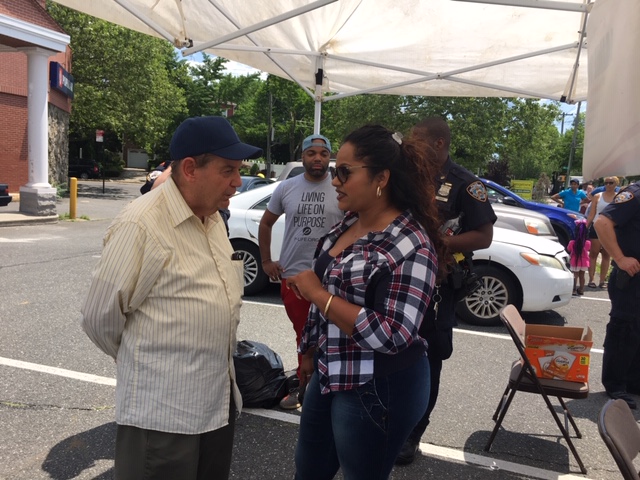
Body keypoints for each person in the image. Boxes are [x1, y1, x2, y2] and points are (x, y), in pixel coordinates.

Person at [80, 116, 262, 480]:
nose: (237, 182)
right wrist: (148, 364)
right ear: (191, 169)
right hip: (163, 415)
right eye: (228, 170)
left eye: (239, 170)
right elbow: (99, 318)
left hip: (215, 404)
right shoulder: (142, 224)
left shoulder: (211, 219)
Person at [286, 124, 445, 479]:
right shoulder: (348, 223)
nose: (335, 180)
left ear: (382, 178)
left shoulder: (411, 245)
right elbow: (326, 289)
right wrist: (310, 351)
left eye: (344, 171)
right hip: (331, 370)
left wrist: (318, 295)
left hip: (379, 387)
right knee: (308, 470)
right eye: (333, 171)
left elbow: (394, 333)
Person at [396, 116, 496, 465]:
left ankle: (414, 433)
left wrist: (439, 241)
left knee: (429, 358)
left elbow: (484, 236)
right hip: (402, 278)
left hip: (438, 283)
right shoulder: (407, 175)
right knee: (395, 349)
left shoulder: (467, 185)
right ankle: (392, 421)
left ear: (439, 144)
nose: (412, 146)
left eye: (419, 140)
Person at [258, 134, 343, 409]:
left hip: (333, 277)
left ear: (330, 157)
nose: (317, 158)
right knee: (303, 336)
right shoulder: (287, 187)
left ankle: (329, 388)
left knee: (334, 335)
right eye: (311, 153)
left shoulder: (342, 187)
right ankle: (305, 389)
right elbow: (266, 223)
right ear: (303, 156)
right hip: (293, 275)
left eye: (323, 153)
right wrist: (266, 261)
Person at [594, 180, 640, 410]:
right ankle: (615, 385)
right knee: (624, 329)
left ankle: (633, 382)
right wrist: (620, 259)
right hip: (632, 277)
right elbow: (602, 223)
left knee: (637, 332)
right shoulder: (635, 194)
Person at [586, 176, 619, 288]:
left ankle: (602, 281)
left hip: (611, 229)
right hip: (596, 227)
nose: (608, 185)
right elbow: (592, 214)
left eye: (611, 183)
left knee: (606, 255)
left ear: (616, 184)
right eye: (606, 183)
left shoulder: (618, 197)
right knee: (593, 253)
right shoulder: (597, 196)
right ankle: (591, 280)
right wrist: (585, 226)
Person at [567, 219, 591, 296]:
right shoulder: (588, 243)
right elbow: (588, 249)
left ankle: (573, 290)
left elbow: (568, 249)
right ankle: (581, 289)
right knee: (582, 276)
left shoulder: (572, 243)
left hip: (575, 261)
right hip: (584, 262)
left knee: (575, 275)